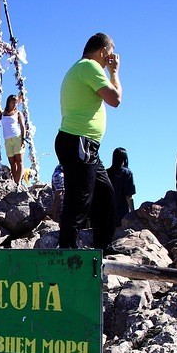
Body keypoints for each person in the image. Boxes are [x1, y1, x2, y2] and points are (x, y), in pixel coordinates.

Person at [55, 33, 122, 250]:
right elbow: (115, 99)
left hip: (84, 144)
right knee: (79, 201)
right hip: (79, 142)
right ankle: (68, 253)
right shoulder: (90, 67)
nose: (110, 60)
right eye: (109, 56)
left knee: (105, 194)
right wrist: (114, 72)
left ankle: (103, 246)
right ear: (103, 51)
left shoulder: (81, 68)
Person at [0, 94, 27, 184]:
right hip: (7, 140)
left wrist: (23, 139)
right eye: (13, 103)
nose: (14, 105)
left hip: (17, 137)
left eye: (16, 103)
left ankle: (18, 183)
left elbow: (22, 126)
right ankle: (15, 181)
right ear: (8, 102)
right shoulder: (2, 114)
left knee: (19, 161)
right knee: (12, 163)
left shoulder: (18, 113)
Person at [108, 147, 136, 226]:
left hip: (107, 212)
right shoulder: (127, 172)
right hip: (121, 213)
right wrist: (133, 212)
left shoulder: (106, 173)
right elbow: (128, 196)